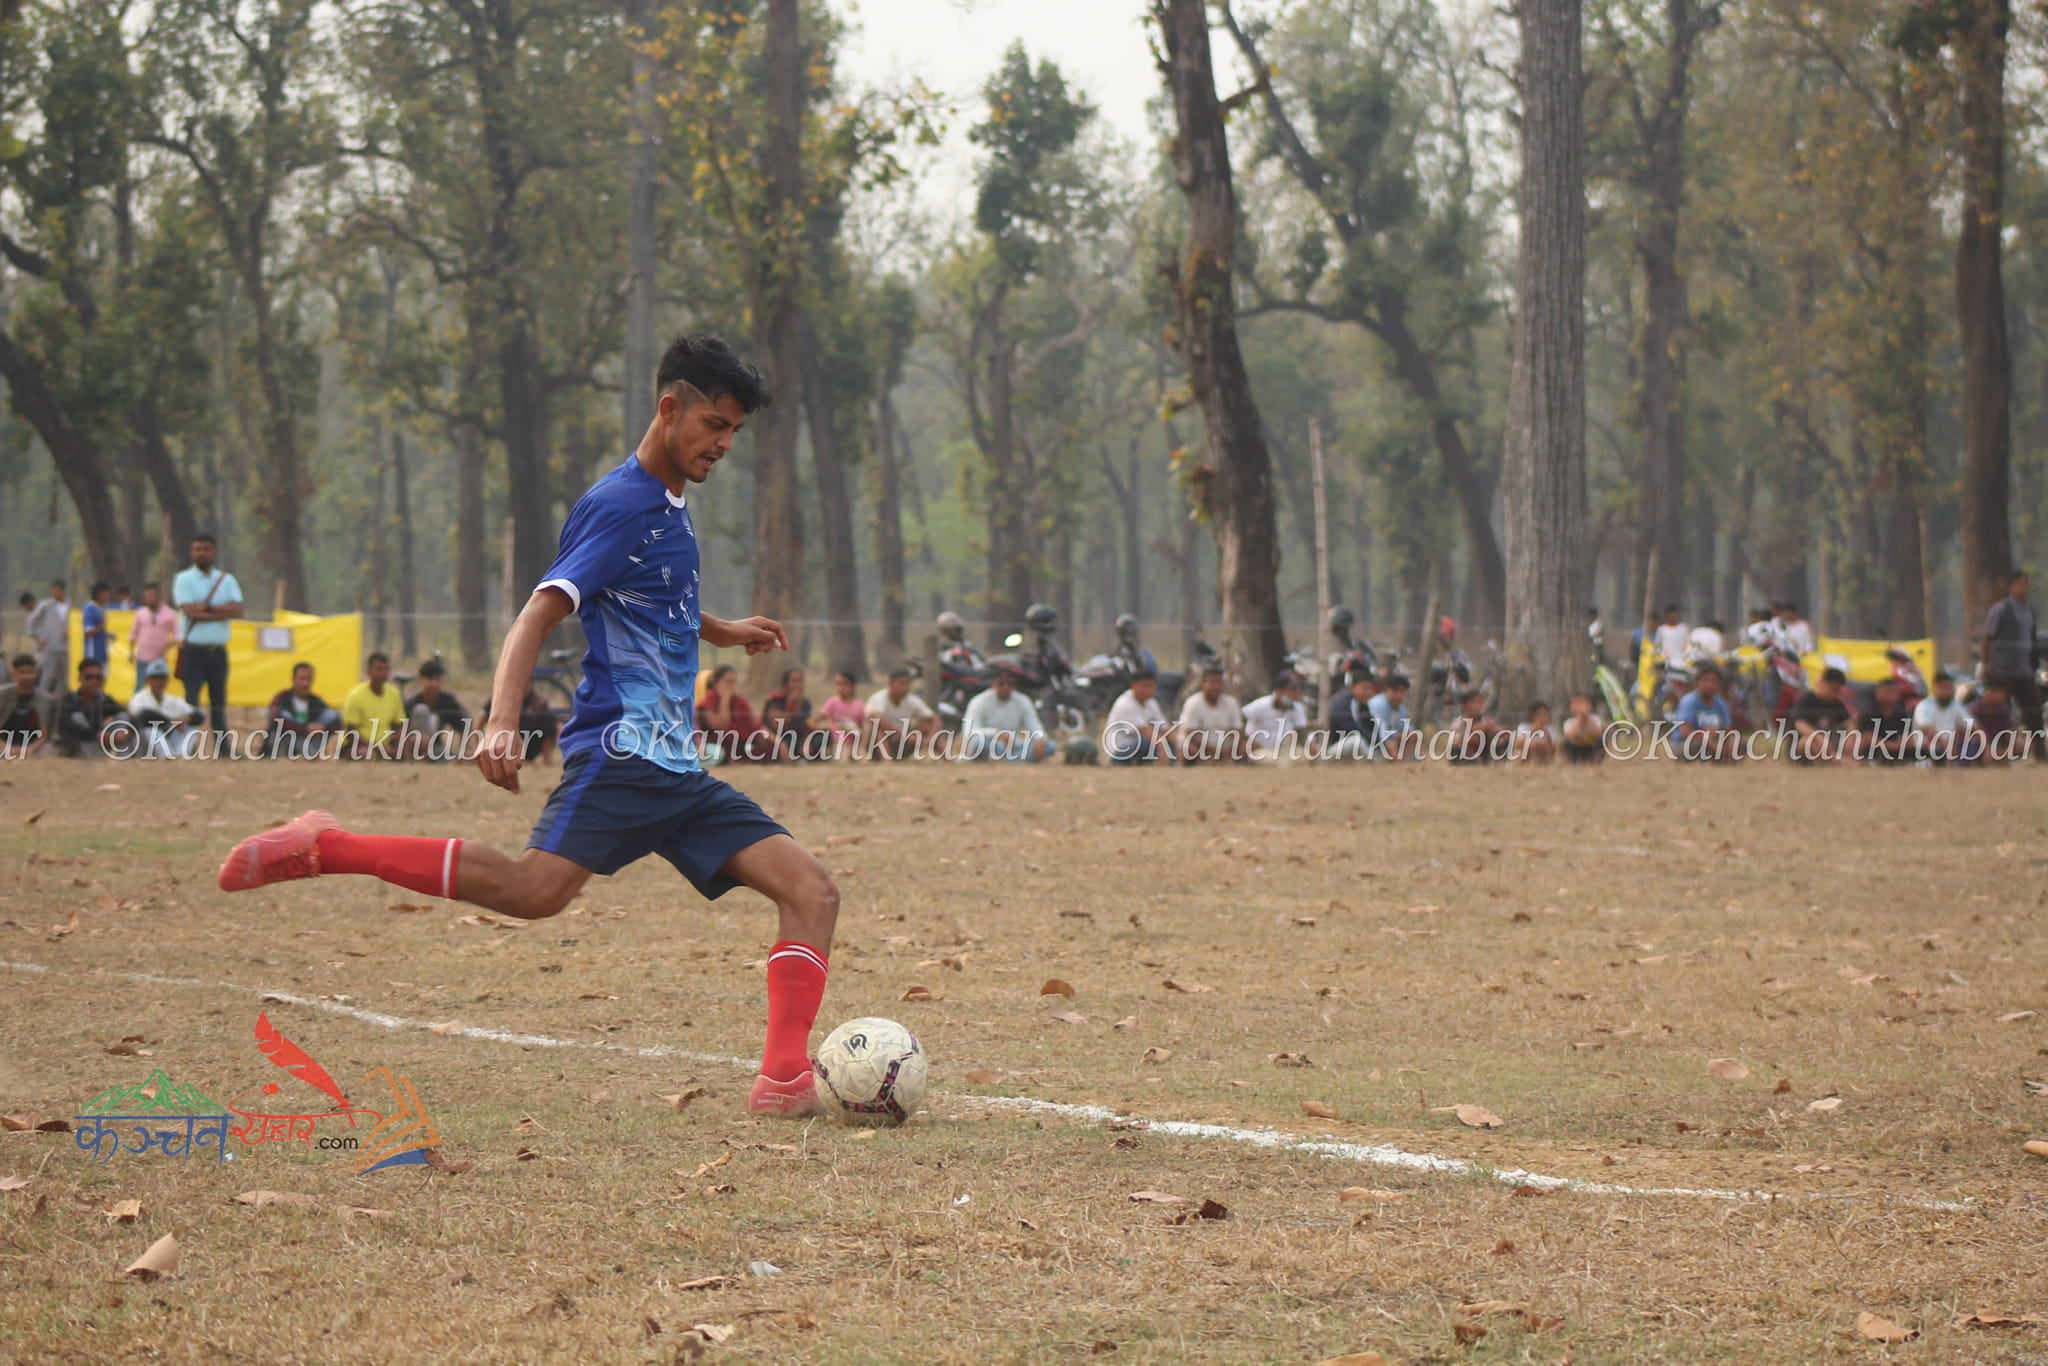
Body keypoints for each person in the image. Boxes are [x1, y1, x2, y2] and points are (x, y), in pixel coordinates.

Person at [217, 332, 838, 1117]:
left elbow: (649, 598)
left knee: (812, 892)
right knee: (531, 891)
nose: (724, 444)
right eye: (715, 425)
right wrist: (501, 720)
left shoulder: (670, 508)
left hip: (676, 769)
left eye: (735, 433)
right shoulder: (620, 504)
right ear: (668, 407)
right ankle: (325, 844)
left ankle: (782, 1083)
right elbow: (536, 616)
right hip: (621, 757)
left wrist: (722, 631)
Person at [172, 534, 243, 744]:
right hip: (193, 651)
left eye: (205, 549)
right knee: (191, 701)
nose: (201, 553)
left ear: (214, 552)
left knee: (218, 702)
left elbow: (238, 609)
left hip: (218, 651)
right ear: (192, 552)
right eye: (197, 549)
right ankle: (187, 746)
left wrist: (207, 608)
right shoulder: (183, 579)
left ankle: (223, 748)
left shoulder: (227, 580)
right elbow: (188, 611)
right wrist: (221, 612)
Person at [1980, 570, 2040, 759]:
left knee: (2033, 711)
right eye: (2018, 584)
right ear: (2010, 587)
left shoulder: (2030, 610)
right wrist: (1986, 665)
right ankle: (2001, 752)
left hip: (2024, 671)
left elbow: (2031, 638)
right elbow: (1987, 639)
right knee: (2001, 712)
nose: (2022, 588)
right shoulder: (2000, 610)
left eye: (2025, 584)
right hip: (2002, 671)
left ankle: (2040, 753)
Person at [960, 664, 1052, 761]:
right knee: (980, 743)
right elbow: (968, 731)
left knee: (1050, 746)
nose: (1005, 687)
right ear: (993, 683)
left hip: (1014, 746)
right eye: (1001, 683)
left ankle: (1011, 760)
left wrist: (1040, 739)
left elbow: (1034, 725)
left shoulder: (1023, 700)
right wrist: (997, 734)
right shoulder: (979, 701)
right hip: (990, 743)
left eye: (1010, 684)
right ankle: (1016, 760)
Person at [127, 658, 199, 757]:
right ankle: (166, 756)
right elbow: (143, 716)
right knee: (152, 730)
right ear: (147, 680)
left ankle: (180, 755)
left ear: (167, 680)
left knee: (192, 729)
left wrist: (185, 719)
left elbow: (199, 715)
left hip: (169, 739)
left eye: (162, 678)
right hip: (144, 745)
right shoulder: (139, 698)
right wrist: (171, 721)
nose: (159, 682)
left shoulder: (173, 700)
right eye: (155, 678)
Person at [266, 661, 340, 758]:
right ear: (293, 679)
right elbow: (275, 718)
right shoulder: (282, 698)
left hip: (310, 740)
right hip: (287, 739)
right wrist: (305, 728)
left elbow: (337, 722)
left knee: (330, 715)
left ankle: (312, 752)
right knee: (285, 716)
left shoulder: (316, 701)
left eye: (308, 679)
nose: (305, 683)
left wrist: (322, 728)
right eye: (302, 679)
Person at [1788, 666, 1859, 763]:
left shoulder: (1836, 704)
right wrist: (1819, 737)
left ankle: (1840, 759)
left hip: (1830, 746)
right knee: (1807, 742)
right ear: (1821, 682)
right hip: (1803, 748)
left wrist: (1851, 737)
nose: (1833, 694)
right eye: (1831, 689)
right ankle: (1838, 761)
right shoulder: (1805, 701)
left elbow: (1849, 722)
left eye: (1837, 691)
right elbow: (1800, 724)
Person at [341, 652, 408, 757]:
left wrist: (399, 745)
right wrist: (379, 748)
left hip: (387, 745)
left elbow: (400, 725)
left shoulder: (394, 693)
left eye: (386, 669)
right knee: (367, 754)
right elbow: (351, 733)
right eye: (379, 669)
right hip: (360, 746)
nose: (383, 673)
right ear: (369, 671)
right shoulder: (356, 695)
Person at [57, 658, 126, 757]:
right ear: (80, 678)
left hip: (104, 742)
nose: (94, 681)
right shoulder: (69, 700)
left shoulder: (105, 700)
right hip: (78, 745)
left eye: (98, 678)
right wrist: (98, 736)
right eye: (89, 677)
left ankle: (122, 759)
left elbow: (131, 717)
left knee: (123, 717)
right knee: (77, 717)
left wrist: (124, 734)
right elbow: (67, 728)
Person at [404, 657, 471, 759]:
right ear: (421, 680)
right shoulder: (411, 704)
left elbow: (463, 724)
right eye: (430, 679)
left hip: (435, 749)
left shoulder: (448, 702)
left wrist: (466, 748)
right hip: (411, 747)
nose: (434, 684)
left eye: (437, 680)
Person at [1103, 667, 1173, 764]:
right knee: (1146, 743)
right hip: (1120, 749)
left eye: (1151, 687)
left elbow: (1165, 729)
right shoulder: (1125, 703)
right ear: (1133, 685)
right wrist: (1162, 748)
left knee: (1169, 745)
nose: (1148, 691)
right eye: (1144, 686)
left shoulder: (1152, 703)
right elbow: (1145, 731)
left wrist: (1180, 745)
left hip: (1142, 743)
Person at [1176, 664, 1244, 763]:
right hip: (1201, 747)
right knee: (1188, 750)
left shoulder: (1231, 703)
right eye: (1212, 682)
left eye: (1219, 682)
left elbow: (1237, 731)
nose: (1216, 686)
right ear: (1202, 683)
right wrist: (1215, 750)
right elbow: (1191, 734)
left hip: (1225, 747)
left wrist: (1231, 748)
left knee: (1245, 747)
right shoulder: (1193, 703)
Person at [696, 664, 762, 762]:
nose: (730, 686)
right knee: (729, 737)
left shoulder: (738, 701)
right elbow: (721, 727)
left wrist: (779, 744)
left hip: (741, 744)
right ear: (715, 683)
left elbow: (756, 725)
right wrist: (725, 699)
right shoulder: (708, 700)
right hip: (714, 744)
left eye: (733, 682)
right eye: (727, 682)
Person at [1672, 664, 1737, 761]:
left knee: (1740, 744)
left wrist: (1731, 741)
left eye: (1713, 681)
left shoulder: (1720, 704)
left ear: (1719, 684)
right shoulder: (1689, 702)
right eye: (1705, 681)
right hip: (1687, 744)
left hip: (1713, 741)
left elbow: (1728, 730)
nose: (1709, 685)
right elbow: (1685, 732)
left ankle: (1720, 755)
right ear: (1697, 683)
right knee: (1698, 746)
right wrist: (1710, 742)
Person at [1913, 671, 1980, 764]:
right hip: (1929, 748)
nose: (1946, 692)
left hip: (1950, 747)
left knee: (1972, 742)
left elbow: (1974, 726)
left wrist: (1987, 747)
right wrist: (1945, 743)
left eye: (1949, 688)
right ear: (1934, 688)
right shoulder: (1924, 705)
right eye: (1943, 688)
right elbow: (1926, 727)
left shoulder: (1955, 706)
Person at [1242, 673, 1308, 758]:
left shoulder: (1297, 708)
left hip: (1285, 750)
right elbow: (1241, 718)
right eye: (1292, 690)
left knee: (1302, 756)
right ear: (1280, 691)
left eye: (1297, 689)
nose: (1296, 693)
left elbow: (1301, 731)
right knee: (1266, 759)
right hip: (1263, 750)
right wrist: (1246, 741)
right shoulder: (1261, 705)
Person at [2, 653, 54, 757]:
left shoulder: (45, 699)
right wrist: (9, 749)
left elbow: (44, 734)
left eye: (30, 672)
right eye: (22, 672)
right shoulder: (2, 696)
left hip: (34, 747)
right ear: (14, 674)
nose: (27, 677)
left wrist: (28, 750)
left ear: (36, 673)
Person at [129, 585, 178, 694]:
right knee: (140, 687)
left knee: (158, 688)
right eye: (146, 596)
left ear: (158, 596)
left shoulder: (170, 614)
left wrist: (166, 647)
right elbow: (133, 634)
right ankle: (136, 710)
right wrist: (131, 652)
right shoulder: (141, 613)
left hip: (158, 659)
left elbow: (176, 637)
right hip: (142, 657)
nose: (148, 599)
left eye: (150, 596)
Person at [1861, 676, 1916, 764]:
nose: (1890, 696)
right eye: (1887, 692)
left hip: (1897, 749)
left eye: (1894, 693)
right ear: (1878, 693)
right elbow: (1868, 738)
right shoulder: (1869, 711)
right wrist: (1890, 745)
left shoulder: (1902, 713)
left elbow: (1909, 738)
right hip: (1877, 748)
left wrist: (1900, 745)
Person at [761, 667, 813, 760]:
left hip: (798, 738)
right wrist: (790, 704)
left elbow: (807, 725)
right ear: (785, 685)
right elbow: (778, 726)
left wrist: (807, 742)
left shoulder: (805, 703)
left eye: (800, 681)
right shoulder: (775, 701)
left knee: (825, 736)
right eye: (794, 681)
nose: (798, 685)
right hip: (778, 738)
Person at [25, 580, 67, 694]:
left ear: (63, 591)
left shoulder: (70, 606)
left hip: (66, 647)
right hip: (50, 647)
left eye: (57, 590)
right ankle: (41, 698)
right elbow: (32, 621)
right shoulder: (46, 606)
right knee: (47, 676)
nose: (54, 593)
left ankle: (60, 701)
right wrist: (37, 639)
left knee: (64, 677)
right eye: (52, 590)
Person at [813, 670, 867, 757]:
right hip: (839, 740)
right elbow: (820, 717)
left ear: (852, 686)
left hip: (855, 741)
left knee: (863, 759)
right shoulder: (832, 702)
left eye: (843, 684)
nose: (840, 687)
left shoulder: (859, 705)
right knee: (842, 758)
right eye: (838, 684)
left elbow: (863, 725)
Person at [1328, 671, 1381, 760]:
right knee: (1356, 740)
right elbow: (1354, 731)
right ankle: (1377, 762)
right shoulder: (1342, 704)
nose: (1368, 692)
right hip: (1331, 749)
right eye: (1364, 688)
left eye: (1370, 689)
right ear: (1353, 688)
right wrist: (1379, 742)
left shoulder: (1364, 705)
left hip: (1352, 750)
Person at [1446, 691, 1506, 763]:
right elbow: (1456, 742)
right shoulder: (1459, 723)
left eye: (1481, 702)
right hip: (1468, 753)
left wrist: (1495, 730)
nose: (1479, 706)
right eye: (1475, 703)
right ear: (1465, 706)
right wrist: (1474, 731)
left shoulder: (1486, 720)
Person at [1368, 674, 1416, 759]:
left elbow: (1407, 728)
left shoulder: (1401, 707)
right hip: (1372, 740)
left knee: (1413, 735)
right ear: (1385, 691)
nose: (1398, 695)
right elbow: (1382, 731)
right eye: (1395, 691)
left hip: (1390, 739)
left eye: (1402, 691)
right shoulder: (1378, 704)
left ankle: (1406, 761)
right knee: (1391, 743)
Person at [1971, 681, 2016, 761]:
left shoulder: (2003, 710)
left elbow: (2009, 731)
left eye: (2000, 692)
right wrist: (1987, 747)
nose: (1997, 695)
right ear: (1985, 692)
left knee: (2022, 744)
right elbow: (1976, 732)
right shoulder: (1975, 709)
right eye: (1994, 691)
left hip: (1996, 743)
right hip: (1978, 744)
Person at [1562, 693, 1605, 764]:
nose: (1579, 705)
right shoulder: (1569, 722)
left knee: (1602, 741)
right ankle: (1573, 762)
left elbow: (1598, 734)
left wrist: (1587, 717)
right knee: (1565, 744)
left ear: (1589, 705)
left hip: (1591, 748)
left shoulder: (1595, 719)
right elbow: (1570, 737)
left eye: (1581, 702)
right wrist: (1579, 719)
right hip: (1577, 748)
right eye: (1574, 703)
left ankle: (1595, 760)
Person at [79, 581, 113, 673]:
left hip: (102, 653)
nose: (108, 595)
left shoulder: (101, 609)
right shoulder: (89, 609)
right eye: (106, 593)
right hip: (93, 654)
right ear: (99, 593)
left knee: (102, 679)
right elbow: (88, 632)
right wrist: (101, 626)